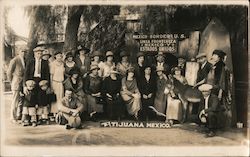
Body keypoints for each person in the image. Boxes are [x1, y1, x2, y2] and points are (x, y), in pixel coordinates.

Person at [24, 45, 50, 118]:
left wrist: (47, 85)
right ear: (35, 54)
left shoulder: (45, 62)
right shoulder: (30, 62)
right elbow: (26, 74)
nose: (39, 55)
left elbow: (47, 74)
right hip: (32, 81)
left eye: (40, 53)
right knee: (32, 98)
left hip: (41, 81)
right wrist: (25, 85)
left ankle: (40, 117)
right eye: (38, 53)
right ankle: (33, 117)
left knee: (41, 98)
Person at [7, 47, 28, 123]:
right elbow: (9, 72)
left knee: (21, 100)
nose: (24, 53)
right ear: (19, 52)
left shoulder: (25, 60)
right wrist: (12, 81)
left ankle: (19, 115)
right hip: (16, 82)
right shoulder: (15, 60)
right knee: (15, 100)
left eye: (25, 52)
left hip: (23, 83)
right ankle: (13, 117)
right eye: (22, 51)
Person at [50, 51, 65, 118]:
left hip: (61, 82)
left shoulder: (62, 64)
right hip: (55, 82)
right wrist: (51, 85)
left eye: (60, 56)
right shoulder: (53, 64)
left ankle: (60, 111)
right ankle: (54, 112)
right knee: (55, 97)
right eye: (58, 56)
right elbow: (51, 75)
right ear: (55, 56)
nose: (59, 57)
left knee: (61, 97)